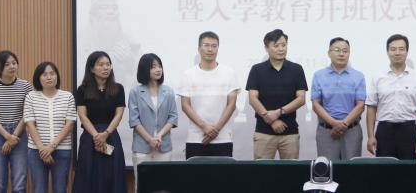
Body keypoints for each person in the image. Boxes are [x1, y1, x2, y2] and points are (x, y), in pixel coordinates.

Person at [366, 34, 416, 160]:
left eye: (401, 49)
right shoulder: (378, 77)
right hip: (384, 131)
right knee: (385, 169)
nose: (397, 53)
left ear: (407, 51)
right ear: (387, 52)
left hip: (408, 131)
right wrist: (370, 136)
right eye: (393, 49)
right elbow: (371, 107)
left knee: (408, 170)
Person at [246, 29, 308, 159]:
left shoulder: (296, 69)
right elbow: (252, 98)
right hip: (263, 132)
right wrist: (271, 119)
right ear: (266, 48)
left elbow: (301, 99)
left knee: (291, 170)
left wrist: (278, 113)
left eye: (284, 45)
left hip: (290, 132)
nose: (281, 49)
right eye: (276, 45)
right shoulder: (257, 69)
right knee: (262, 170)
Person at [178, 31, 240, 159]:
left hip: (223, 138)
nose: (210, 49)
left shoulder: (229, 73)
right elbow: (185, 105)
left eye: (214, 46)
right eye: (206, 45)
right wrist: (204, 126)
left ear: (218, 48)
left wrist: (216, 130)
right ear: (199, 48)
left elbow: (231, 104)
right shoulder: (188, 75)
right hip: (196, 138)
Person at [72, 51, 126, 193]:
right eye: (101, 64)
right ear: (91, 68)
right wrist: (97, 136)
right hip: (90, 138)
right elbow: (82, 116)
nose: (105, 67)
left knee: (112, 176)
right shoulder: (82, 90)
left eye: (108, 64)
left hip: (111, 137)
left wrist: (106, 134)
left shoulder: (118, 88)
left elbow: (119, 115)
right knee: (88, 177)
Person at [24, 61, 76, 193]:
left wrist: (51, 147)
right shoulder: (31, 97)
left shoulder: (68, 96)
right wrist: (42, 149)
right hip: (36, 151)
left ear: (57, 76)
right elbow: (30, 124)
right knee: (39, 189)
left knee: (60, 189)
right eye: (44, 74)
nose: (49, 77)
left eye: (52, 73)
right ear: (38, 78)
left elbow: (69, 124)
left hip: (62, 149)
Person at [0, 50, 32, 193]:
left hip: (20, 135)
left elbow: (27, 113)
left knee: (19, 185)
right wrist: (7, 136)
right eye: (7, 64)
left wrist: (14, 136)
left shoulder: (25, 86)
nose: (12, 67)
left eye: (14, 63)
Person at [310, 37, 366, 160]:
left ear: (349, 53)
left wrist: (343, 124)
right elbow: (316, 104)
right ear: (329, 53)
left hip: (351, 131)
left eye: (345, 51)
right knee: (327, 168)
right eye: (337, 50)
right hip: (326, 131)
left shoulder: (358, 76)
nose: (341, 54)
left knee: (352, 168)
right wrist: (334, 124)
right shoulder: (319, 75)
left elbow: (361, 105)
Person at [128, 53, 178, 171]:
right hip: (142, 147)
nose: (158, 69)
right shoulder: (135, 92)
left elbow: (173, 117)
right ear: (144, 69)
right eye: (153, 67)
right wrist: (150, 140)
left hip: (163, 145)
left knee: (163, 182)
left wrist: (159, 135)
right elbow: (134, 120)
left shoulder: (168, 91)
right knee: (142, 182)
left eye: (160, 66)